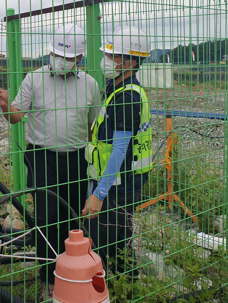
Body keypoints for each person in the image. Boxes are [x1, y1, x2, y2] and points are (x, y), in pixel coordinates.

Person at [0, 23, 101, 299]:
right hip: (42, 157)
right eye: (57, 55)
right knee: (46, 217)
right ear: (50, 53)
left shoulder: (89, 84)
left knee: (73, 217)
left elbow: (92, 125)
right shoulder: (34, 79)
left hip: (76, 158)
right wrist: (6, 105)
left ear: (78, 59)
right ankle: (47, 277)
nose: (61, 61)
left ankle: (72, 272)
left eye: (68, 58)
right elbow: (17, 116)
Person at [81, 25, 154, 275]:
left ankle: (103, 291)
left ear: (131, 62)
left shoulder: (127, 97)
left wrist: (98, 195)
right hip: (120, 183)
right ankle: (127, 288)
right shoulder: (119, 88)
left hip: (117, 186)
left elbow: (120, 150)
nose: (107, 60)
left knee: (101, 243)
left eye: (113, 56)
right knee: (120, 241)